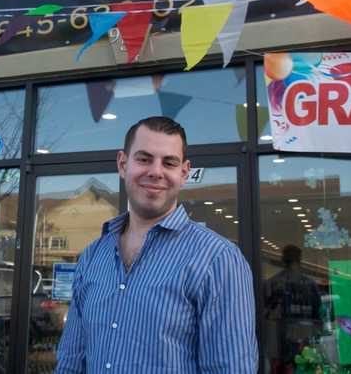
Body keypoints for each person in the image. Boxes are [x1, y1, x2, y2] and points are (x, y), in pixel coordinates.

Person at [55, 116, 258, 373]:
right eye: (144, 158)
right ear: (122, 164)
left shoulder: (218, 260)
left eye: (169, 162)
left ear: (183, 173)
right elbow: (71, 363)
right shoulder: (93, 257)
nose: (156, 171)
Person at [264, 245, 322, 374]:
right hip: (298, 340)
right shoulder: (309, 284)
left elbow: (266, 313)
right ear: (300, 259)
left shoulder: (273, 282)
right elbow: (317, 314)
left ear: (283, 260)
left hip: (282, 342)